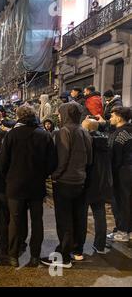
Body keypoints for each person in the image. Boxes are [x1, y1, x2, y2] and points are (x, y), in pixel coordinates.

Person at [0, 105, 56, 268]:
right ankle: (35, 256)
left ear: (18, 117)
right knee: (37, 221)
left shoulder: (11, 135)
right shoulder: (44, 135)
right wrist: (42, 174)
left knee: (15, 221)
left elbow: (2, 163)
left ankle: (13, 255)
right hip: (36, 186)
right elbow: (52, 163)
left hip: (15, 185)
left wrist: (9, 176)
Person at [41, 103, 92, 269]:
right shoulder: (84, 131)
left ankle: (63, 255)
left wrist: (55, 175)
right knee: (79, 216)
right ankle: (77, 250)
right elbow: (89, 160)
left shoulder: (65, 131)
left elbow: (63, 158)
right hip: (80, 180)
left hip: (65, 182)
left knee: (64, 219)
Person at [80, 118, 112, 254]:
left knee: (81, 216)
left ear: (86, 129)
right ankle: (100, 245)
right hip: (101, 183)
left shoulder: (85, 142)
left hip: (86, 183)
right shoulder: (106, 142)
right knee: (100, 215)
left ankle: (78, 248)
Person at [108, 107, 132, 242]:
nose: (110, 118)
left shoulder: (118, 135)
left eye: (112, 116)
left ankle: (122, 231)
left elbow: (114, 157)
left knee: (120, 202)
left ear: (119, 117)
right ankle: (130, 230)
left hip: (121, 172)